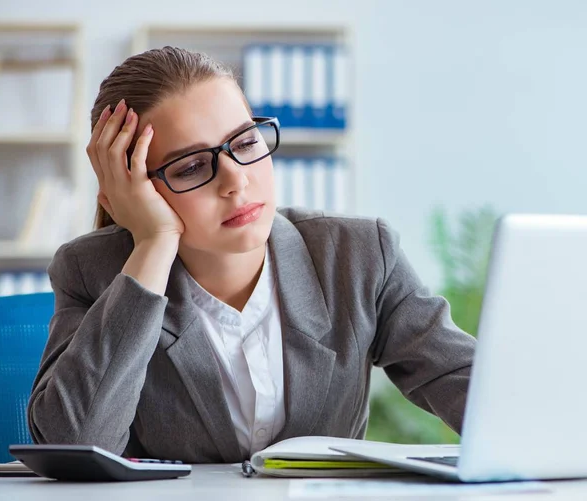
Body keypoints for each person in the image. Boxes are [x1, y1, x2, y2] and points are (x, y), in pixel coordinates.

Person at [27, 46, 476, 463]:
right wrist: (153, 242)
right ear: (131, 193)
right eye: (191, 166)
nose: (236, 181)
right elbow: (75, 447)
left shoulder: (359, 257)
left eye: (244, 143)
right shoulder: (93, 272)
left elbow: (477, 391)